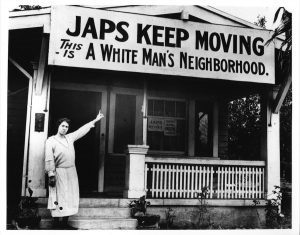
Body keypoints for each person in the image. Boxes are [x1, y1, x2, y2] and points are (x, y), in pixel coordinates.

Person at [45, 110, 104, 229]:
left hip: (71, 171)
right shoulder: (51, 140)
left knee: (70, 195)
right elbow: (49, 158)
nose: (65, 128)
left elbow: (81, 130)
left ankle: (65, 223)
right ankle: (57, 224)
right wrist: (51, 174)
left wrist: (95, 120)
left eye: (67, 126)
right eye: (62, 126)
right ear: (58, 126)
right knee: (58, 196)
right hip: (59, 172)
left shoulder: (69, 138)